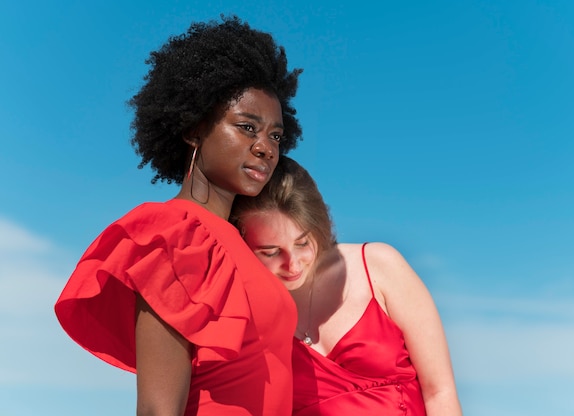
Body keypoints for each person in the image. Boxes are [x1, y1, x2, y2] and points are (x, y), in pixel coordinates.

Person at [54, 16, 303, 416]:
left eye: (274, 135)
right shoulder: (177, 234)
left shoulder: (241, 245)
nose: (265, 148)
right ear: (193, 129)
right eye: (246, 127)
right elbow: (157, 408)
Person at [229, 156, 463, 416]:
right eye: (271, 252)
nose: (292, 265)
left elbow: (440, 392)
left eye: (302, 243)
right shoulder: (245, 313)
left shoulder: (378, 266)